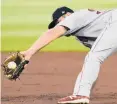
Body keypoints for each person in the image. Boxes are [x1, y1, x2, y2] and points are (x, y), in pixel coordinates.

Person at [21, 6, 117, 104]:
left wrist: (30, 52)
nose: (58, 25)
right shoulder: (84, 32)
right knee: (94, 58)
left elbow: (53, 32)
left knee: (93, 57)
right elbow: (92, 67)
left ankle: (80, 94)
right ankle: (82, 93)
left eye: (58, 21)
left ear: (67, 15)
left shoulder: (74, 17)